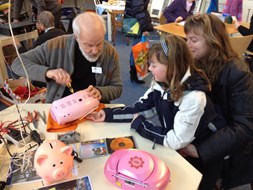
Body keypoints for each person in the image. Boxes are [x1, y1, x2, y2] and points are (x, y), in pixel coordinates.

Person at [87, 34, 226, 158]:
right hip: (181, 143)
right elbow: (142, 109)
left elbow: (176, 140)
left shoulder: (193, 98)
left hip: (201, 150)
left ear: (172, 67)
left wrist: (142, 126)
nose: (149, 69)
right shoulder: (162, 82)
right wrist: (108, 114)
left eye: (154, 65)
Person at [181, 14, 253, 189]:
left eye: (194, 40)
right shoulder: (196, 64)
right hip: (203, 140)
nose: (187, 44)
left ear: (212, 41)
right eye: (187, 39)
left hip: (228, 154)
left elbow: (244, 127)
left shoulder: (237, 73)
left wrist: (200, 150)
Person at [11, 12, 123, 103]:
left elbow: (117, 88)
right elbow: (17, 63)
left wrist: (100, 91)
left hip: (96, 111)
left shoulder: (110, 53)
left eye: (99, 43)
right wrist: (48, 72)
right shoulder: (55, 45)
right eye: (89, 45)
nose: (95, 50)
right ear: (76, 37)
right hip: (61, 108)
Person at [124, 0, 154, 84]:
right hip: (137, 23)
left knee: (136, 48)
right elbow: (139, 11)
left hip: (134, 22)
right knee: (137, 49)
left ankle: (134, 73)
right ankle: (134, 74)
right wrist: (144, 28)